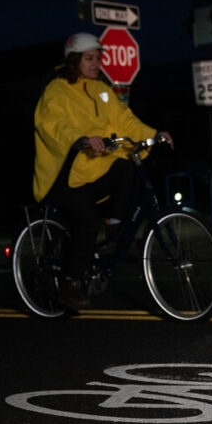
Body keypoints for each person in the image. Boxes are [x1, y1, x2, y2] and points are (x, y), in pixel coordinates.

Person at [32, 32, 172, 310]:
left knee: (124, 165)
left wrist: (155, 134)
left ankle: (115, 227)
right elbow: (53, 125)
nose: (96, 63)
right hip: (64, 176)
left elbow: (124, 120)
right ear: (74, 60)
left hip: (93, 170)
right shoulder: (56, 91)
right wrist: (80, 140)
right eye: (89, 58)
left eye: (98, 58)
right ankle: (70, 282)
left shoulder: (102, 90)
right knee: (87, 219)